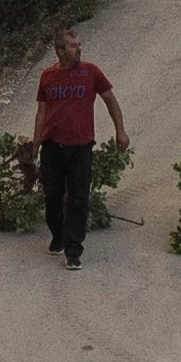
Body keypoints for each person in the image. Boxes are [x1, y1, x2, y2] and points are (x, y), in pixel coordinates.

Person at [29, 29, 125, 266]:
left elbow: (110, 100)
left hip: (81, 147)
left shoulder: (90, 72)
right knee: (52, 196)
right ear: (59, 51)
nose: (79, 48)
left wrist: (120, 131)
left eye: (79, 44)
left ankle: (73, 251)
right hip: (52, 147)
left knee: (78, 198)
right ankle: (58, 236)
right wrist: (36, 142)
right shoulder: (47, 76)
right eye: (72, 45)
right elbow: (41, 112)